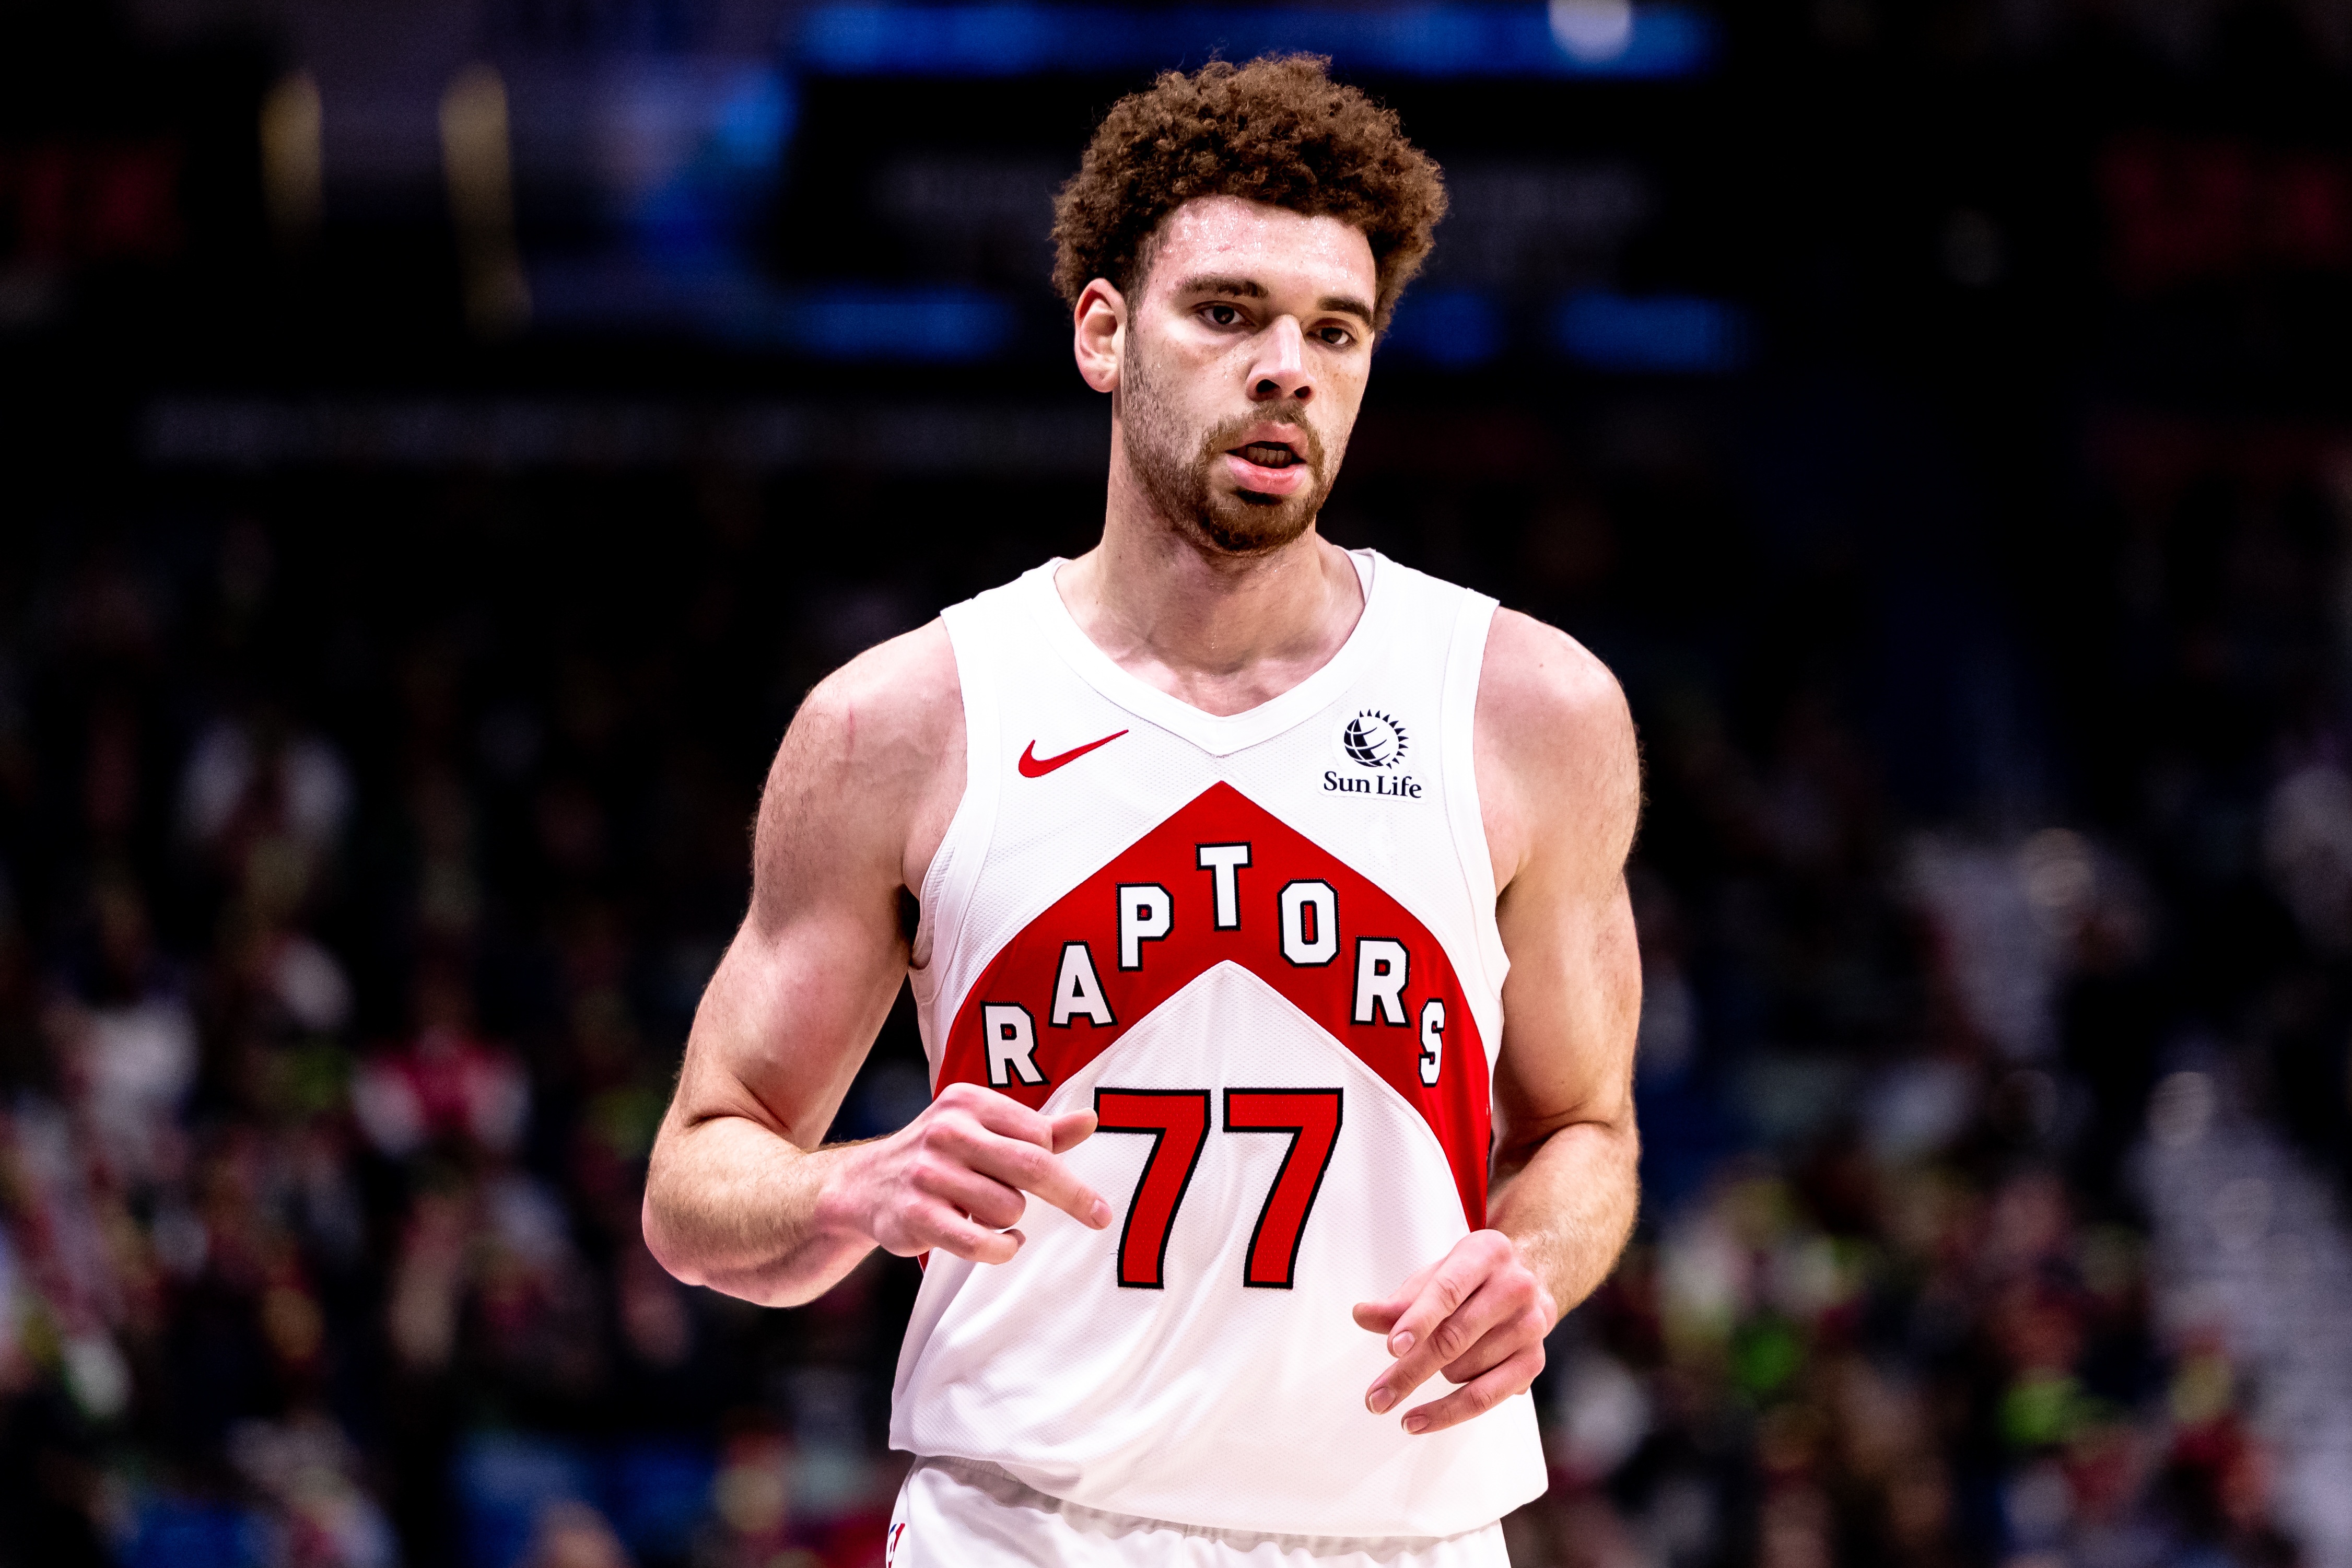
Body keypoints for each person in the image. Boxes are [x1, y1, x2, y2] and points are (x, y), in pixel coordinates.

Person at [643, 54, 1642, 1567]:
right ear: (1104, 334)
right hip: (1017, 1529)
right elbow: (696, 1183)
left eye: (1335, 330)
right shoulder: (901, 722)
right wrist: (858, 1182)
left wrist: (1538, 1262)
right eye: (1229, 313)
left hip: (1401, 1534)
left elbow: (1586, 1131)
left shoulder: (1528, 709)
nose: (1287, 367)